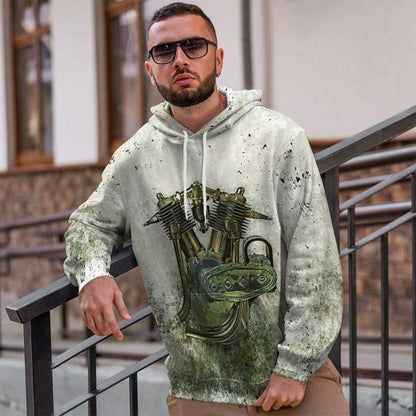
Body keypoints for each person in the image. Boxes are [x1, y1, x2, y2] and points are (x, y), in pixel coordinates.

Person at [64, 2, 348, 415]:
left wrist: (295, 363)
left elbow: (314, 256)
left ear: (218, 58)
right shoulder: (134, 159)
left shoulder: (278, 138)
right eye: (164, 51)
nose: (180, 59)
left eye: (193, 46)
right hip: (200, 385)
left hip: (294, 376)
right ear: (150, 70)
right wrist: (93, 275)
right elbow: (89, 223)